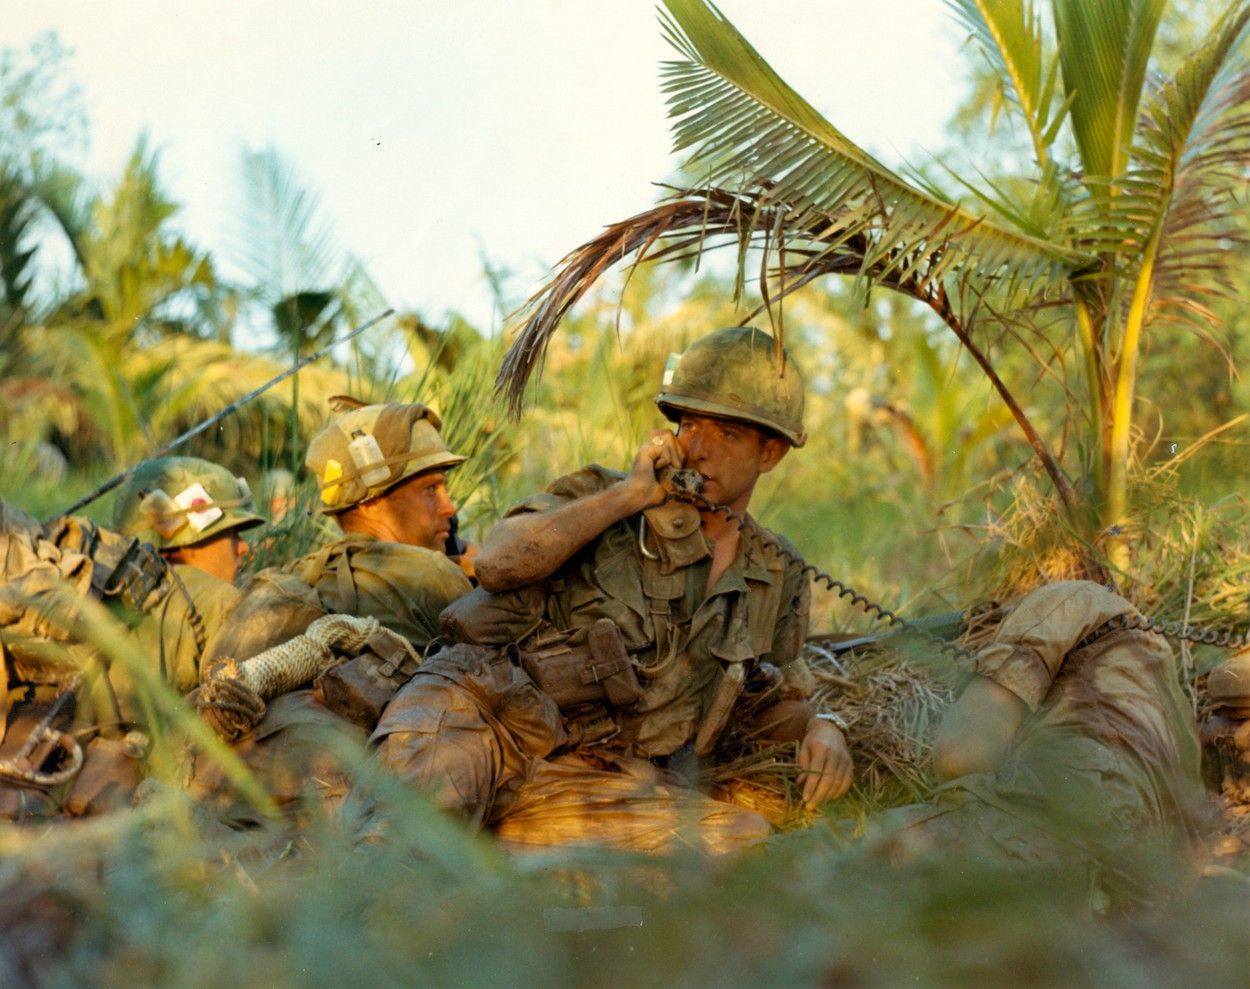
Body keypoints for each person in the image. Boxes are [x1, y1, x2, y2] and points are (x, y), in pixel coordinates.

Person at [370, 327, 853, 854]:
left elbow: (764, 700)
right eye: (690, 424)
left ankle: (508, 863)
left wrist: (823, 726)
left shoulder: (775, 571)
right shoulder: (605, 494)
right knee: (400, 859)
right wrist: (627, 498)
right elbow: (499, 564)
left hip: (585, 780)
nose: (698, 450)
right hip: (478, 721)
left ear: (772, 453)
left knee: (743, 845)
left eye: (728, 434)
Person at [880, 580, 1206, 904]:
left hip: (1058, 810)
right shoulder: (1171, 699)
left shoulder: (1071, 599)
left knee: (861, 854)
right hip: (1132, 882)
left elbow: (959, 756)